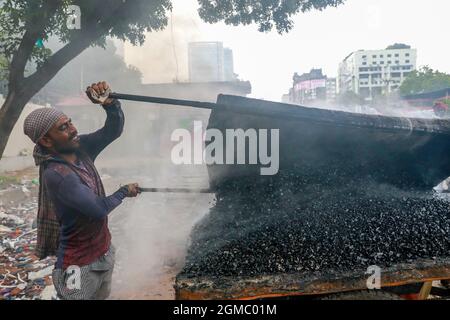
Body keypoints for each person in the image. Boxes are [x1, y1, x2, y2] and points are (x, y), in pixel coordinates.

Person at [23, 81, 140, 300]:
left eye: (70, 123)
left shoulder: (80, 148)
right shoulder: (58, 174)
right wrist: (124, 191)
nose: (73, 129)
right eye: (63, 128)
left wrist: (109, 103)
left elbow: (112, 131)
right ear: (46, 140)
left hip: (103, 252)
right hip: (77, 266)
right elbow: (97, 209)